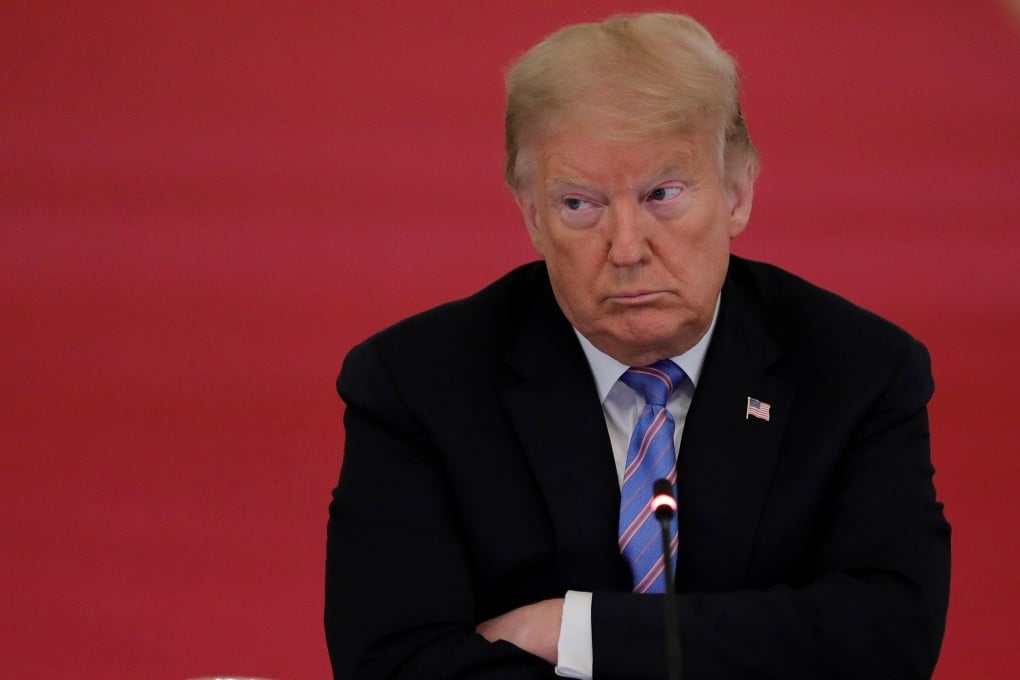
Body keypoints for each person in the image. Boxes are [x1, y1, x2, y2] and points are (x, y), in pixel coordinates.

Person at [325, 12, 950, 679]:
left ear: (737, 193)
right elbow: (393, 662)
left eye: (662, 194)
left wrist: (576, 630)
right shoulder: (416, 384)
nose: (627, 249)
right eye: (579, 205)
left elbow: (886, 639)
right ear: (531, 215)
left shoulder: (858, 370)